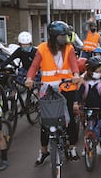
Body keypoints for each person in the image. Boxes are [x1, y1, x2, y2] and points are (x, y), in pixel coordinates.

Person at [25, 21, 81, 165]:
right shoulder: (42, 48)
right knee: (46, 121)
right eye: (62, 35)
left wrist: (75, 74)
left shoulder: (69, 48)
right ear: (54, 36)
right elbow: (34, 66)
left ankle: (72, 147)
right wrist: (30, 78)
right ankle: (44, 151)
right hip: (47, 89)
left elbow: (74, 63)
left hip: (67, 87)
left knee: (68, 118)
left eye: (65, 35)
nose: (64, 38)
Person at [74, 57, 101, 157]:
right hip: (88, 107)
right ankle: (88, 145)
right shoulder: (85, 82)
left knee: (99, 124)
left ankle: (98, 141)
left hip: (100, 107)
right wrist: (76, 103)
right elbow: (79, 93)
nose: (100, 71)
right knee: (89, 126)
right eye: (98, 69)